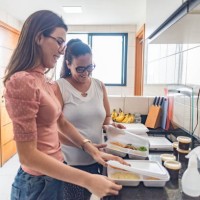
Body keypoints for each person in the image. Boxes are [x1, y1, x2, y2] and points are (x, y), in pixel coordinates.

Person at [3, 10, 126, 200]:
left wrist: (91, 150)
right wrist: (88, 180)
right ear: (39, 38)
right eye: (59, 42)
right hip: (37, 184)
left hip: (54, 176)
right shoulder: (22, 81)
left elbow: (62, 122)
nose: (62, 50)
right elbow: (27, 156)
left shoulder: (42, 79)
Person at [53, 39, 125, 200]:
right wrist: (86, 146)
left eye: (90, 67)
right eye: (80, 68)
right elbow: (55, 128)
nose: (86, 72)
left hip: (97, 159)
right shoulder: (59, 87)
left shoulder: (99, 85)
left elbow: (106, 117)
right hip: (70, 163)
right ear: (68, 64)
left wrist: (112, 126)